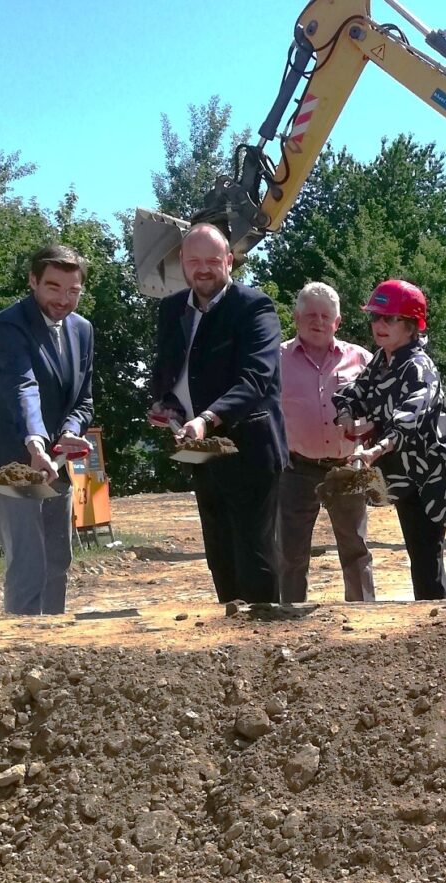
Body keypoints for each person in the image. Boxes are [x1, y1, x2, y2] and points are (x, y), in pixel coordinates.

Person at [148, 223, 288, 605]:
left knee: (253, 555)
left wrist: (206, 419)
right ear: (182, 262)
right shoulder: (171, 309)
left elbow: (255, 379)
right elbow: (166, 370)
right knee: (220, 554)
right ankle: (231, 629)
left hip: (250, 451)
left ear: (229, 260)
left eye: (212, 260)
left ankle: (264, 632)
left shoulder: (254, 307)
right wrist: (165, 403)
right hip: (200, 453)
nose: (203, 269)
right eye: (194, 261)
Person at [0, 245, 95, 615]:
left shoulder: (82, 330)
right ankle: (23, 641)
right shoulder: (8, 326)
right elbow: (23, 386)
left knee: (57, 558)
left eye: (73, 290)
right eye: (53, 287)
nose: (63, 300)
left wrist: (69, 431)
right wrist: (36, 442)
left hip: (55, 461)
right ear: (33, 281)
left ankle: (51, 638)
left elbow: (83, 399)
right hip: (9, 462)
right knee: (29, 563)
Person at [332, 280, 446, 601]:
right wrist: (346, 415)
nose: (379, 325)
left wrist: (375, 449)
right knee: (418, 553)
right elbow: (355, 392)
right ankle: (433, 617)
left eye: (389, 318)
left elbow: (409, 416)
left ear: (412, 325)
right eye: (375, 317)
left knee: (427, 557)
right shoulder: (382, 360)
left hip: (429, 476)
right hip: (403, 473)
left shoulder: (419, 366)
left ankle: (439, 621)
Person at [279, 282, 375, 603]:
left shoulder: (362, 360)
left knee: (356, 550)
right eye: (310, 315)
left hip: (347, 469)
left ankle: (364, 616)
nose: (318, 322)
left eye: (325, 316)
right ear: (296, 317)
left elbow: (382, 410)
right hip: (295, 469)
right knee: (291, 552)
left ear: (338, 322)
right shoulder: (276, 359)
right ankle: (291, 616)